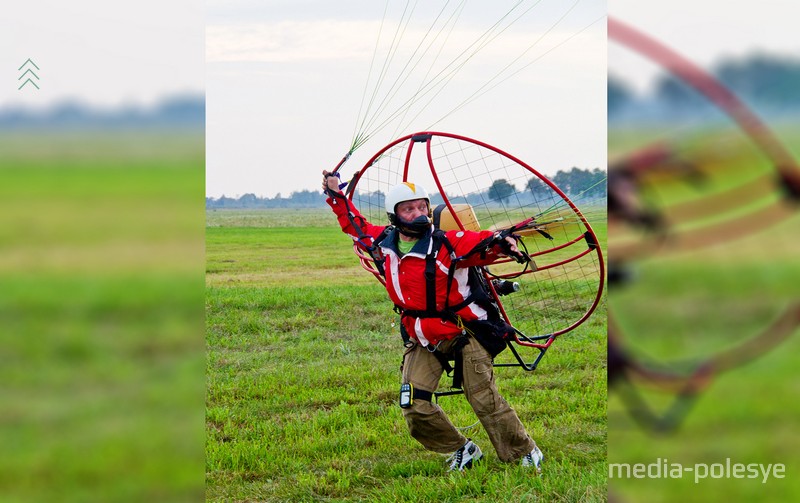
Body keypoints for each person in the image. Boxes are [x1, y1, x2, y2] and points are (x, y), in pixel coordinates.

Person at [322, 171, 544, 472]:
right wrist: (336, 194)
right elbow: (353, 224)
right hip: (422, 334)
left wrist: (503, 241)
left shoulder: (446, 243)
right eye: (409, 209)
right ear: (394, 215)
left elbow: (480, 244)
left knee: (482, 397)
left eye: (422, 207)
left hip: (465, 330)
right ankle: (462, 450)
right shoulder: (383, 242)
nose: (418, 214)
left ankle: (524, 452)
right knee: (413, 403)